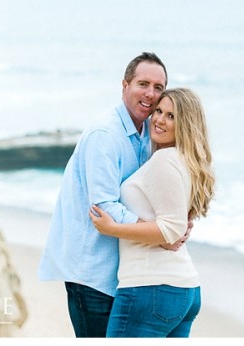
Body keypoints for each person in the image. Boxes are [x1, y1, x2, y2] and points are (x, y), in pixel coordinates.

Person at [39, 52, 188, 338]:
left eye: (159, 87)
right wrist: (160, 232)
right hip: (92, 273)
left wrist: (179, 220)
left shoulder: (149, 130)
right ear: (125, 85)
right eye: (143, 84)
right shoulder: (105, 135)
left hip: (122, 272)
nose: (151, 94)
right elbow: (103, 207)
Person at [89, 87, 216, 338]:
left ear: (186, 124)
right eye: (159, 111)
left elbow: (171, 229)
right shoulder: (185, 161)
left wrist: (113, 229)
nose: (159, 120)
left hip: (150, 288)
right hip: (182, 288)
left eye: (171, 116)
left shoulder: (165, 161)